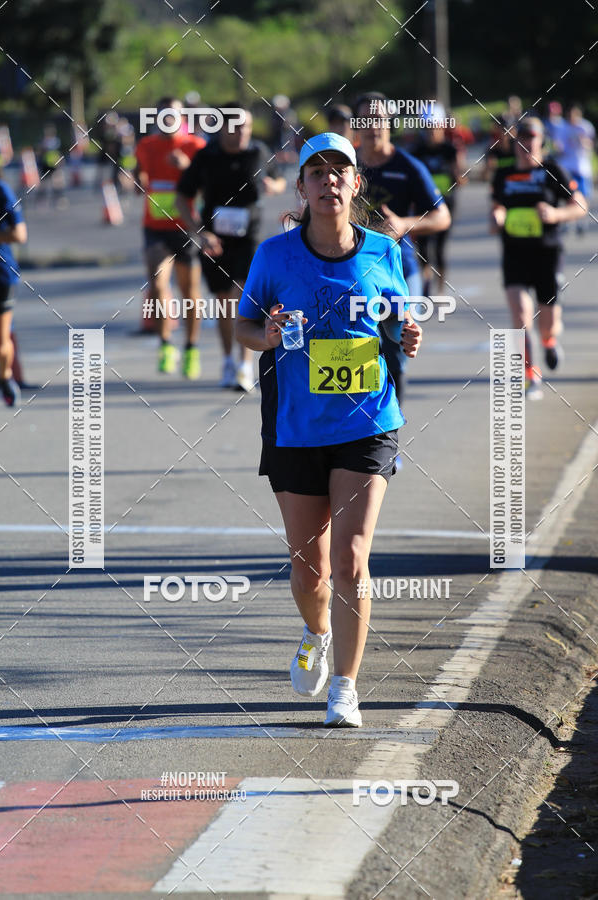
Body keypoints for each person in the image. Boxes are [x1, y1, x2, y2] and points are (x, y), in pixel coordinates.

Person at [235, 133, 422, 727]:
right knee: (308, 566)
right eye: (316, 172)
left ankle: (345, 687)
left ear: (355, 183)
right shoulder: (273, 256)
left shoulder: (384, 252)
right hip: (295, 427)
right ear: (302, 187)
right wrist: (262, 336)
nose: (329, 181)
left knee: (351, 560)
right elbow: (242, 324)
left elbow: (400, 321)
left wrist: (409, 336)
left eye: (339, 171)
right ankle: (316, 632)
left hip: (368, 423)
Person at [177, 105, 286, 391]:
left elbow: (280, 180)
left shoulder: (258, 153)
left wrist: (273, 186)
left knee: (244, 298)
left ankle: (244, 365)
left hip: (249, 239)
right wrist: (199, 232)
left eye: (247, 127)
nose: (242, 133)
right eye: (236, 127)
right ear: (222, 128)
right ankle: (227, 360)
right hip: (215, 240)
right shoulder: (207, 156)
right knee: (224, 303)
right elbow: (182, 195)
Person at [353, 92, 450, 404]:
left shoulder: (407, 166)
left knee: (396, 343)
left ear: (390, 124)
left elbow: (441, 216)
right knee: (356, 346)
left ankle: (389, 433)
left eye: (379, 119)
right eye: (366, 120)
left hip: (398, 268)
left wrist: (405, 223)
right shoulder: (345, 164)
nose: (373, 126)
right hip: (352, 268)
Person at [490, 117, 587, 397]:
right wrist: (497, 216)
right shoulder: (503, 175)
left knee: (547, 324)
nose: (526, 144)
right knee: (520, 318)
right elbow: (495, 210)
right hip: (515, 254)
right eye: (521, 138)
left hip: (547, 254)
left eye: (532, 138)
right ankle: (531, 375)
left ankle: (549, 340)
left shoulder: (551, 171)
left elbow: (580, 204)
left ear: (541, 141)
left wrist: (556, 214)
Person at [135, 97, 207, 378]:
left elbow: (206, 186)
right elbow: (141, 172)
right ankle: (165, 343)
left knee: (190, 293)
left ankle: (191, 348)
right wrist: (136, 178)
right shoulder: (146, 146)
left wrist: (187, 166)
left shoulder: (195, 147)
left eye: (174, 115)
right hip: (155, 225)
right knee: (157, 282)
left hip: (186, 226)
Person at [413, 120, 462, 293]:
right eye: (428, 129)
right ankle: (426, 284)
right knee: (423, 247)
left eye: (435, 128)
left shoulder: (449, 149)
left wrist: (459, 175)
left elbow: (459, 175)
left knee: (440, 248)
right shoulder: (418, 150)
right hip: (423, 204)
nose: (432, 132)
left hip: (445, 204)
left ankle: (440, 288)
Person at [0, 164, 28, 407]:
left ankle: (6, 376)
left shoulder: (2, 191)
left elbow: (19, 235)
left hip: (1, 274)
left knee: (1, 340)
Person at [560, 104, 595, 233]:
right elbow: (560, 146)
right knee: (569, 195)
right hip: (567, 166)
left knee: (583, 196)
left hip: (582, 167)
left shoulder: (584, 126)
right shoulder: (563, 127)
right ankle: (568, 221)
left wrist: (584, 141)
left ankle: (582, 222)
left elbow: (591, 144)